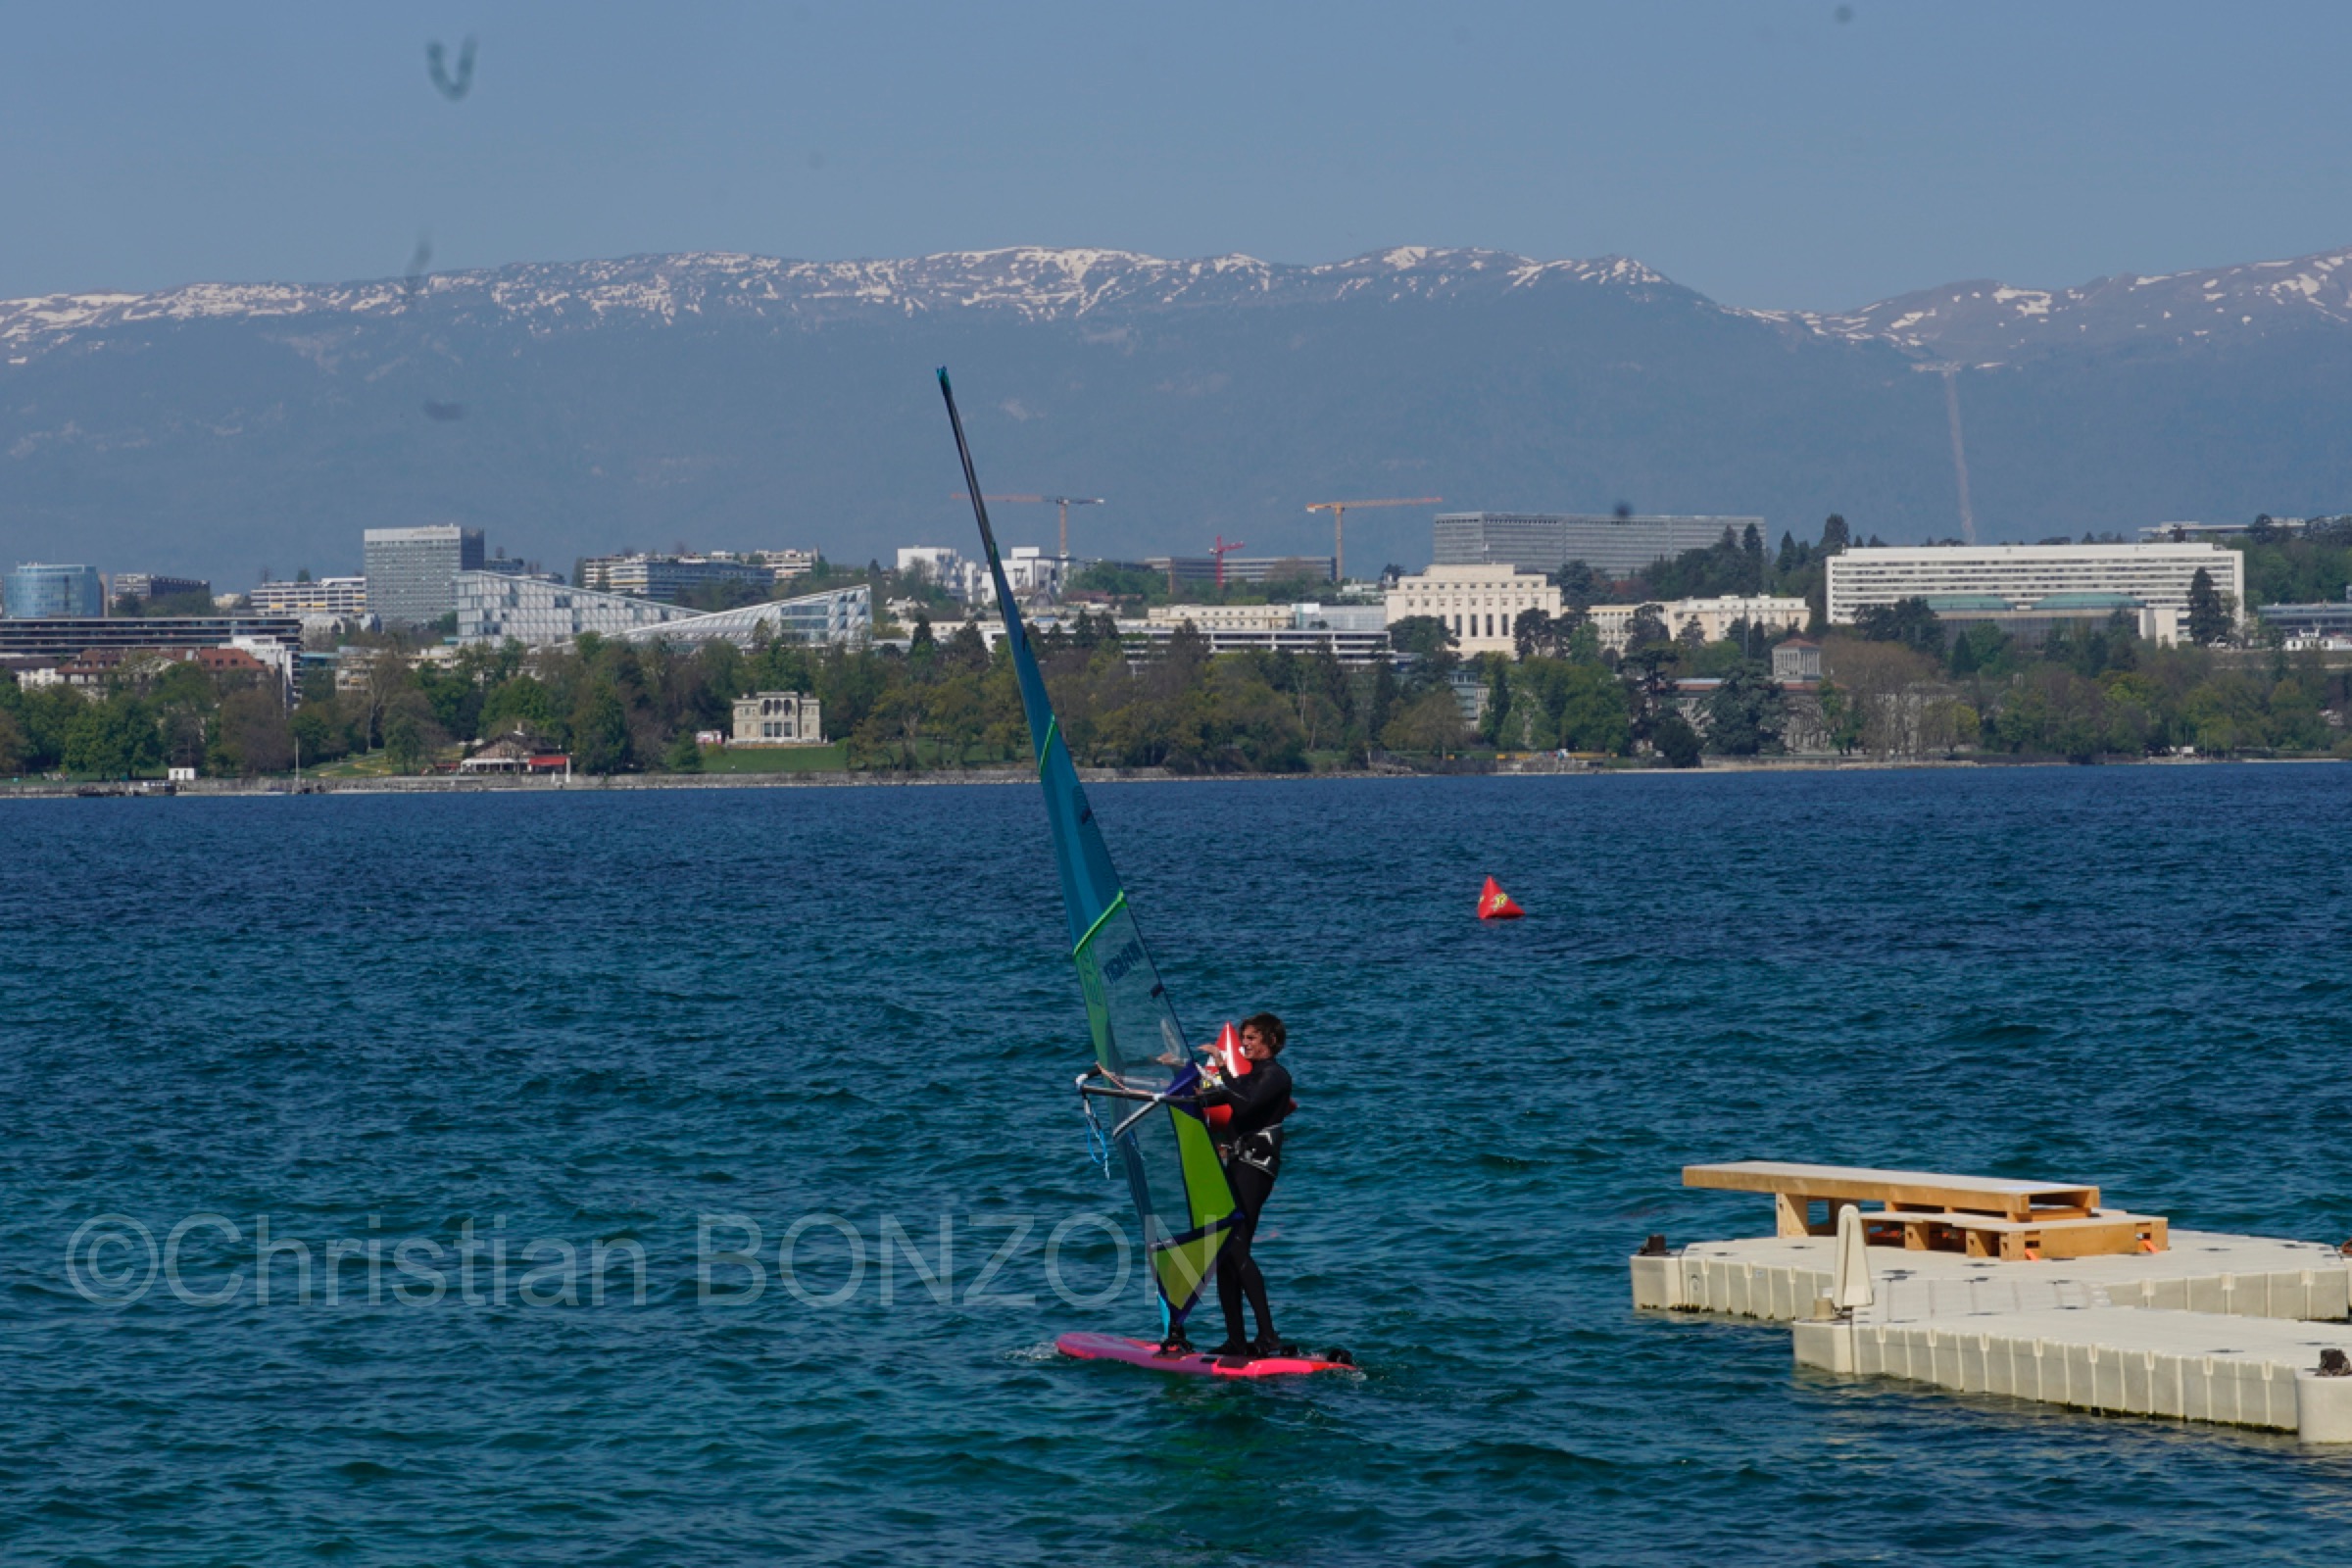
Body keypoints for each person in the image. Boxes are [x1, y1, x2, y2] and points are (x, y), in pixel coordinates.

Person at [1197, 1011, 1295, 1360]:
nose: (1244, 1044)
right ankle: (1236, 1341)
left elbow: (1245, 1103)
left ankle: (1268, 1336)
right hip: (1238, 1165)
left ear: (1271, 1041)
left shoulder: (1276, 1076)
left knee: (1235, 1249)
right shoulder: (1251, 1076)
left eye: (1252, 1038)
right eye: (1243, 1038)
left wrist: (1222, 1067)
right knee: (1225, 1253)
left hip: (1256, 1168)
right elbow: (1217, 1099)